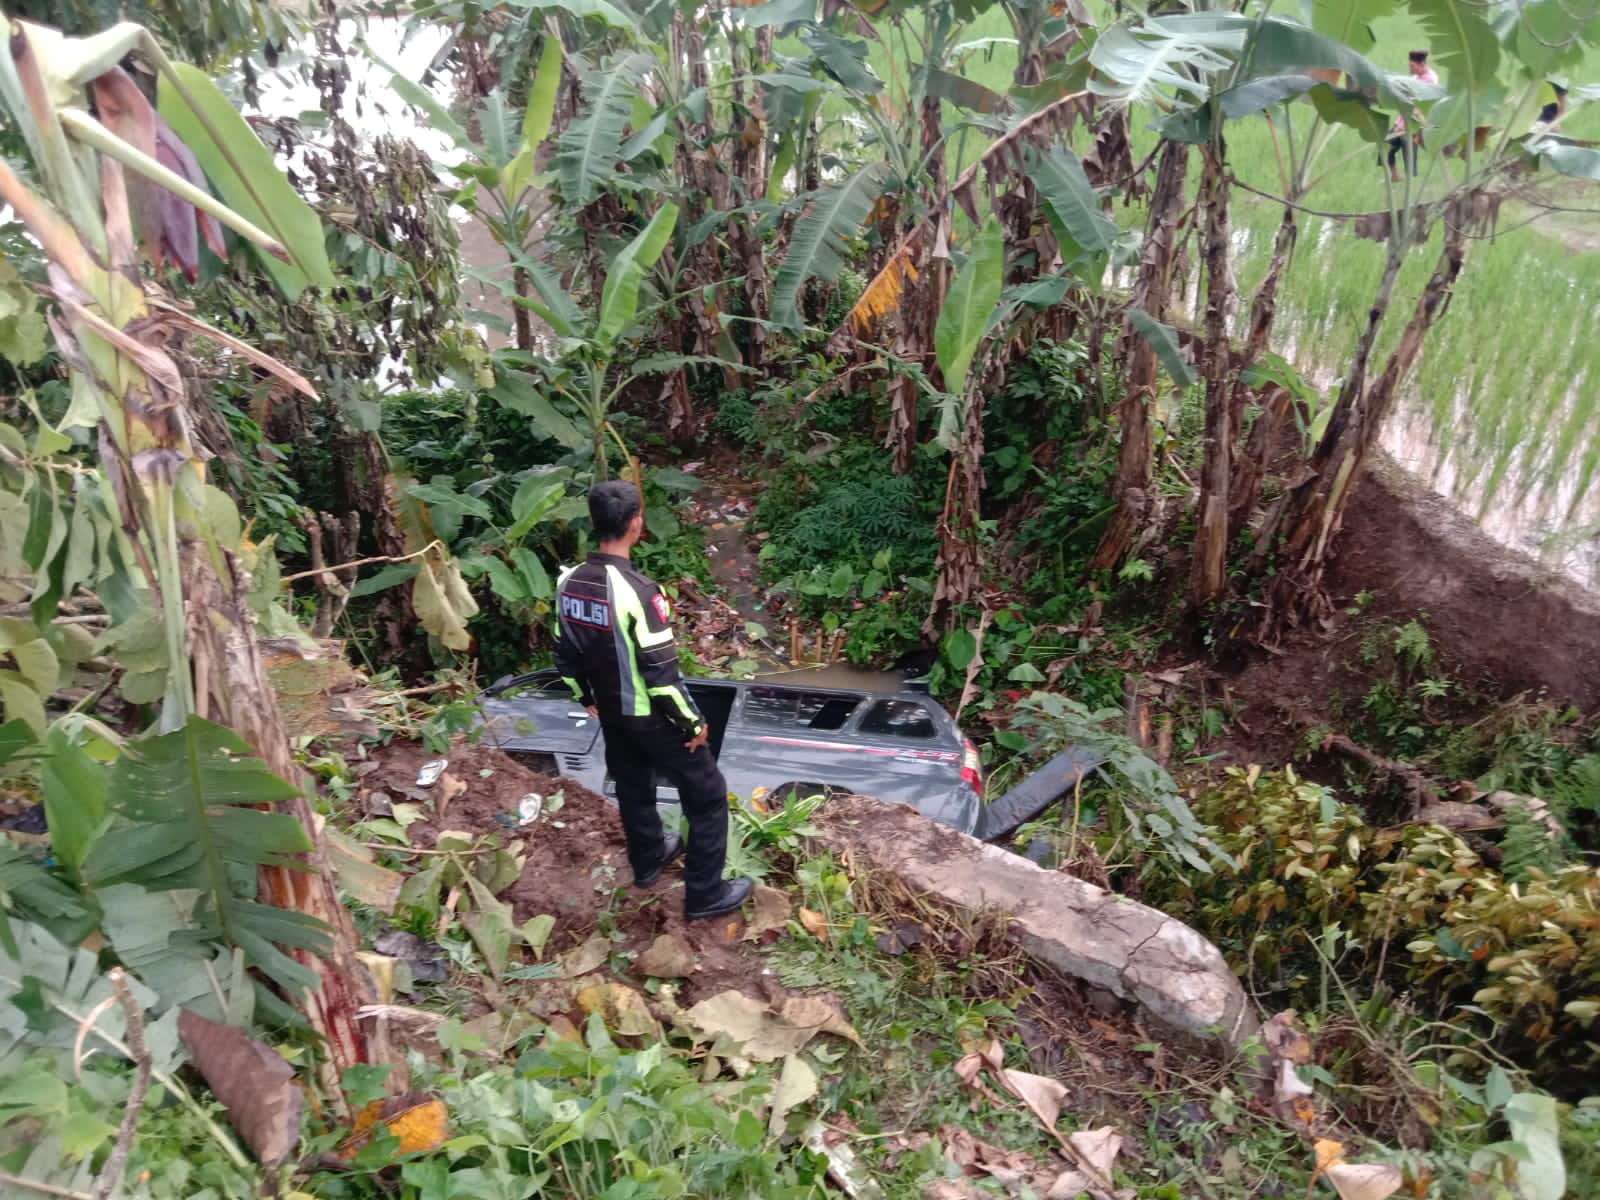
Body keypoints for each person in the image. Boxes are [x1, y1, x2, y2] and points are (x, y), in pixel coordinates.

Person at [553, 480, 754, 922]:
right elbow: (661, 677)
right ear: (636, 524)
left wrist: (585, 697)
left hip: (610, 713)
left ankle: (648, 862)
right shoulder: (639, 591)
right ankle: (705, 895)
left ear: (595, 522)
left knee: (633, 784)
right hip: (649, 716)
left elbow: (564, 654)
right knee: (707, 794)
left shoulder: (568, 582)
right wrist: (693, 724)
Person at [1388, 50, 1439, 182]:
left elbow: (1419, 104)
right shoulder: (1416, 77)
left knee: (1408, 151)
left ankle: (1410, 182)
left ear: (1422, 65)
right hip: (1403, 119)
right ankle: (1395, 175)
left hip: (1415, 121)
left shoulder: (1430, 80)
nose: (1410, 69)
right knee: (1387, 145)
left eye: (1412, 66)